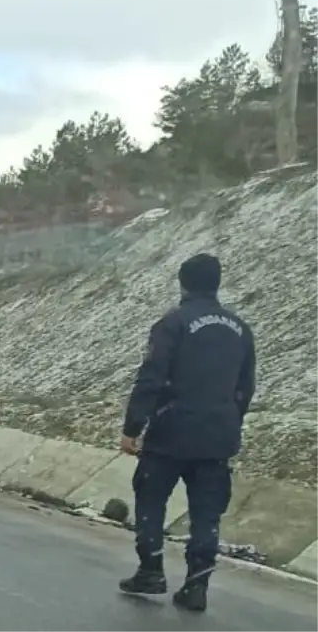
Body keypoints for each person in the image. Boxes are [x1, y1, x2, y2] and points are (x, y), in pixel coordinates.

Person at [118, 253, 256, 612]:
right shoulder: (240, 329)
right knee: (206, 515)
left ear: (183, 284)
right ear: (217, 283)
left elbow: (151, 377)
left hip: (170, 434)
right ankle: (197, 587)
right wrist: (228, 420)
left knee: (150, 501)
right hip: (217, 438)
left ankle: (151, 571)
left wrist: (133, 427)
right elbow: (246, 387)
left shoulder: (173, 324)